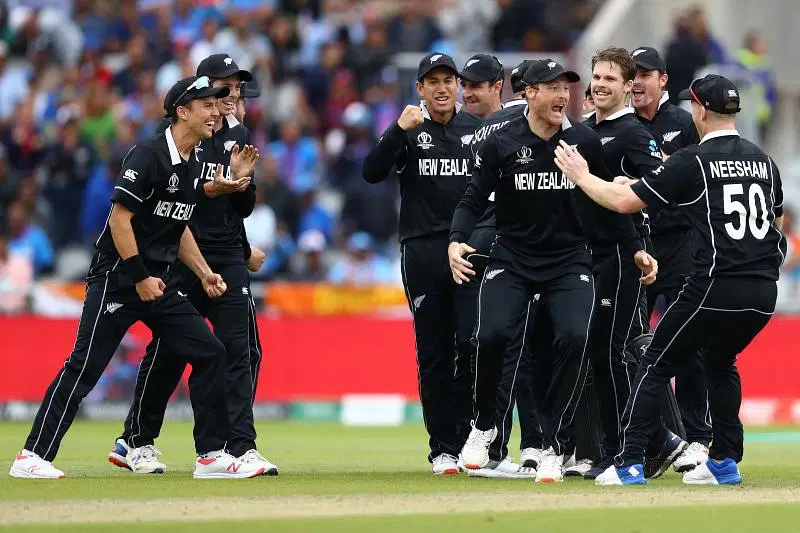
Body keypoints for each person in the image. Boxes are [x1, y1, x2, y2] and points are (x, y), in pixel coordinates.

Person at [10, 76, 265, 480]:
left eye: (218, 106)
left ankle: (212, 456)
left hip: (157, 284)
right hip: (118, 278)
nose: (216, 112)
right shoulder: (147, 155)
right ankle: (31, 456)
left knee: (209, 350)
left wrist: (205, 273)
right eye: (207, 106)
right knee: (85, 367)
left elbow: (179, 224)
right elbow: (119, 219)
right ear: (182, 111)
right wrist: (140, 276)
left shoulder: (195, 161)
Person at [554, 74, 786, 486]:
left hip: (714, 285)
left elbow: (625, 202)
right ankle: (724, 461)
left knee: (653, 364)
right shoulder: (762, 160)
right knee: (720, 362)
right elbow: (776, 218)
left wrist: (582, 176)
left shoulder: (694, 159)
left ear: (698, 110)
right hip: (763, 291)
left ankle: (628, 463)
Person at [450, 59, 655, 483]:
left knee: (575, 337)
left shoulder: (583, 141)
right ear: (529, 93)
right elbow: (472, 198)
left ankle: (551, 447)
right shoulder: (502, 142)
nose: (564, 95)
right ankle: (484, 425)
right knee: (488, 336)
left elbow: (606, 201)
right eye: (553, 87)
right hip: (512, 258)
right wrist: (455, 240)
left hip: (569, 261)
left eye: (567, 87)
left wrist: (635, 249)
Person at [106, 56, 276, 476]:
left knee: (241, 350)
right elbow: (177, 202)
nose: (231, 96)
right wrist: (214, 191)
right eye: (223, 88)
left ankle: (238, 447)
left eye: (236, 88)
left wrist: (239, 199)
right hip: (182, 252)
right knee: (170, 351)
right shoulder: (187, 135)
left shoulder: (237, 134)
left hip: (224, 257)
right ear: (200, 93)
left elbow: (245, 205)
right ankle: (136, 439)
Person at [362, 52, 481, 475]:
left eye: (449, 80)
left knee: (472, 345)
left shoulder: (477, 130)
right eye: (433, 81)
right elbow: (371, 172)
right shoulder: (409, 129)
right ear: (420, 89)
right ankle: (443, 449)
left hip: (469, 250)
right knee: (433, 351)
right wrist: (396, 130)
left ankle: (473, 440)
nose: (443, 87)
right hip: (424, 250)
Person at [581, 46, 685, 480]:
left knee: (618, 353)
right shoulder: (586, 130)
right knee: (599, 356)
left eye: (611, 78)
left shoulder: (631, 133)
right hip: (591, 256)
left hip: (623, 256)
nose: (601, 84)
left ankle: (648, 444)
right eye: (597, 76)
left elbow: (665, 180)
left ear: (628, 87)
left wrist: (636, 188)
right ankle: (617, 447)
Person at [455, 55, 538, 479]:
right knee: (513, 351)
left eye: (476, 85)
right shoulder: (519, 122)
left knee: (493, 344)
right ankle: (511, 446)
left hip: (486, 241)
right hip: (509, 242)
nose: (467, 92)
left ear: (499, 86)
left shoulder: (477, 133)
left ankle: (497, 441)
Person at [631, 46, 712, 474]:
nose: (638, 82)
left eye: (646, 74)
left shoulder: (682, 122)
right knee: (634, 344)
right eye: (634, 74)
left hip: (680, 244)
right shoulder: (621, 126)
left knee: (689, 343)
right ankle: (655, 438)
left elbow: (703, 177)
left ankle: (698, 437)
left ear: (663, 79)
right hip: (637, 245)